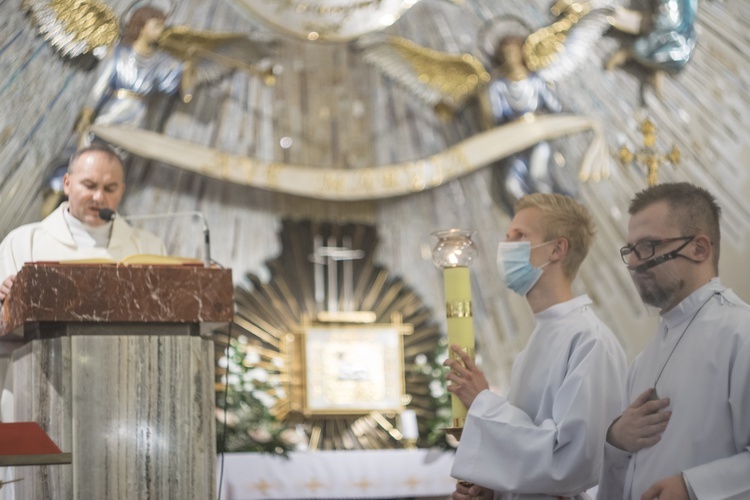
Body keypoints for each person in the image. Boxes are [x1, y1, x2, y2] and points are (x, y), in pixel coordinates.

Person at [445, 193, 627, 500]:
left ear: (557, 249)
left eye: (520, 236)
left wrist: (483, 402)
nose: (506, 247)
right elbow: (532, 457)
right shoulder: (539, 340)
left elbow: (571, 463)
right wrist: (493, 490)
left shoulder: (589, 340)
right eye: (507, 236)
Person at [597, 182, 750, 499]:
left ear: (700, 248)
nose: (636, 262)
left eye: (649, 246)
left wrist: (694, 487)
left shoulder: (741, 333)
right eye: (631, 250)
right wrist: (616, 439)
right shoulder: (643, 362)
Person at [0, 143, 166, 303]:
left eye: (109, 189)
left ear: (121, 191)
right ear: (67, 183)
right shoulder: (22, 243)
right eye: (89, 185)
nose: (99, 197)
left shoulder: (150, 249)